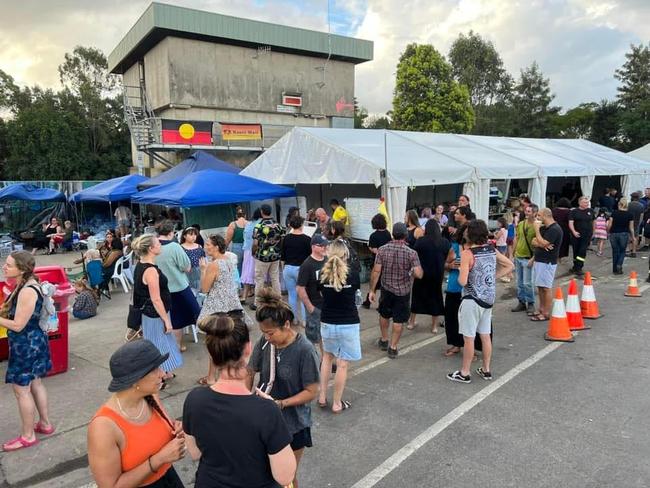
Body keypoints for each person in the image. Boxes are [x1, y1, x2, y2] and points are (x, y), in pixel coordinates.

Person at [183, 313, 296, 488]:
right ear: (248, 348)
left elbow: (195, 453)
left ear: (211, 354)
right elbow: (285, 476)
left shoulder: (194, 399)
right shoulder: (266, 411)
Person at [88, 340, 186, 487]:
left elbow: (157, 433)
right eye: (155, 369)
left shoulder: (150, 397)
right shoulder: (103, 427)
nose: (163, 373)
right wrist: (159, 459)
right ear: (134, 381)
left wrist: (175, 428)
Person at [250, 290, 320, 488]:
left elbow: (311, 391)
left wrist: (280, 404)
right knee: (265, 473)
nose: (266, 337)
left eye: (271, 333)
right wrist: (246, 399)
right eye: (264, 333)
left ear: (286, 325)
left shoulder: (305, 351)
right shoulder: (265, 342)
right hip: (265, 421)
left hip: (294, 425)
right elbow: (250, 370)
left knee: (286, 477)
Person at [447, 220, 513, 384]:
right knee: (485, 335)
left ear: (471, 234)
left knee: (468, 337)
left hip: (471, 299)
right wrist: (490, 278)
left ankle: (465, 372)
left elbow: (462, 281)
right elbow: (509, 265)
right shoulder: (491, 249)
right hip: (488, 298)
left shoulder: (467, 254)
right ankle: (486, 369)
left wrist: (463, 269)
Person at [0, 252, 54, 451]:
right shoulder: (25, 285)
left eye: (8, 265)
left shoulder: (28, 290)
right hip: (34, 343)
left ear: (21, 269)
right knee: (36, 383)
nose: (4, 267)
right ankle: (45, 424)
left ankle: (28, 436)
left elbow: (18, 325)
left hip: (26, 346)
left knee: (21, 390)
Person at [196, 234, 250, 385]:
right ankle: (230, 373)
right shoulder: (228, 261)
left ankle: (211, 377)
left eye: (208, 244)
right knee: (230, 343)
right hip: (232, 306)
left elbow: (205, 288)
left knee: (214, 343)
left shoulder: (214, 264)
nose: (206, 247)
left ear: (217, 246)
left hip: (217, 307)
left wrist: (203, 270)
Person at [131, 234, 183, 387]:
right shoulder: (150, 271)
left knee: (162, 343)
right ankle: (157, 379)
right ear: (151, 248)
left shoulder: (141, 265)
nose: (160, 245)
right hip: (155, 314)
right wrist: (167, 321)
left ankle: (165, 372)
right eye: (157, 243)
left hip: (152, 313)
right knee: (157, 345)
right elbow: (156, 299)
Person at [317, 239, 361, 413]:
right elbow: (355, 294)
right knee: (342, 364)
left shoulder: (323, 274)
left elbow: (322, 294)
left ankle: (322, 397)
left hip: (327, 321)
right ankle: (337, 403)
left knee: (327, 358)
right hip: (348, 322)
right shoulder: (353, 274)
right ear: (345, 254)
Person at [368, 223, 423, 359]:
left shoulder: (382, 250)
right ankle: (393, 347)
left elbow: (376, 271)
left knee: (384, 314)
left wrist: (372, 290)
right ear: (405, 235)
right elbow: (419, 274)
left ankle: (384, 339)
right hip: (403, 292)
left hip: (386, 289)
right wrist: (412, 272)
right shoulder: (411, 253)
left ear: (392, 234)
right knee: (398, 320)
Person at [156, 222, 201, 353]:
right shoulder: (174, 247)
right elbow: (186, 267)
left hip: (161, 289)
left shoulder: (152, 246)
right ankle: (179, 345)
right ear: (171, 233)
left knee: (174, 318)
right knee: (194, 311)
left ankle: (176, 346)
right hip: (179, 286)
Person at [410, 219, 450, 334]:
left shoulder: (421, 241)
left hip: (422, 274)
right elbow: (448, 256)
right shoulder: (444, 242)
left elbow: (414, 255)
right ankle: (434, 326)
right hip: (437, 274)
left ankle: (411, 322)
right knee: (435, 298)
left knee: (417, 296)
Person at [297, 234, 329, 353]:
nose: (324, 248)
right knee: (313, 337)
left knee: (325, 337)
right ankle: (314, 360)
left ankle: (325, 360)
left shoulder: (327, 260)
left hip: (326, 306)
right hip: (315, 306)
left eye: (326, 246)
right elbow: (300, 288)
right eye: (321, 246)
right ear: (313, 247)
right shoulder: (307, 265)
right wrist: (310, 307)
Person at [530, 208, 563, 321]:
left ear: (545, 215)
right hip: (540, 260)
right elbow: (534, 241)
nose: (537, 218)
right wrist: (541, 243)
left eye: (539, 216)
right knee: (540, 286)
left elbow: (543, 242)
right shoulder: (545, 228)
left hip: (547, 261)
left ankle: (546, 312)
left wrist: (537, 230)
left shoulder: (555, 229)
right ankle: (541, 309)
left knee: (546, 287)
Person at [281, 214, 311, 325]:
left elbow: (282, 256)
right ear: (301, 225)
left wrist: (283, 269)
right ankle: (304, 320)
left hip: (288, 268)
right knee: (304, 295)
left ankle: (293, 319)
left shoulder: (286, 238)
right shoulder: (307, 239)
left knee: (292, 295)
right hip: (302, 269)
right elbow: (310, 257)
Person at [253, 204, 285, 308]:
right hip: (275, 256)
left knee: (259, 279)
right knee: (275, 278)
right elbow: (282, 238)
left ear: (262, 212)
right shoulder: (277, 225)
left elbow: (255, 243)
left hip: (262, 256)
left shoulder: (259, 226)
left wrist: (254, 253)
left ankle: (258, 303)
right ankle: (278, 300)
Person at [511, 204, 538, 313]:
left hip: (528, 257)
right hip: (518, 255)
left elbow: (538, 243)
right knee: (519, 282)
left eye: (529, 211)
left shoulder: (537, 226)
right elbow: (517, 237)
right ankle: (521, 302)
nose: (526, 213)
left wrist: (534, 258)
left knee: (528, 282)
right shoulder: (521, 224)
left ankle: (531, 303)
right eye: (526, 211)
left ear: (535, 213)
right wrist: (513, 252)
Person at [362, 213, 392, 308]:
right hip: (387, 262)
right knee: (384, 284)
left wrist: (370, 247)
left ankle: (368, 301)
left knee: (373, 282)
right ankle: (382, 304)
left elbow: (374, 250)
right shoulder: (388, 233)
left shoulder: (373, 236)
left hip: (377, 262)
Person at [443, 224, 465, 357]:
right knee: (452, 318)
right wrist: (450, 265)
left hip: (469, 289)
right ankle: (456, 344)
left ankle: (471, 348)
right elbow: (445, 264)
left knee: (468, 320)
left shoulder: (475, 249)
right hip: (454, 287)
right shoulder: (455, 247)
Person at [568, 196, 594, 276]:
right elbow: (571, 222)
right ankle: (575, 266)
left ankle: (579, 267)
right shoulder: (574, 212)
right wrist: (574, 231)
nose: (586, 204)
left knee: (582, 251)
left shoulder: (590, 211)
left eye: (587, 202)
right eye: (584, 202)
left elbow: (593, 221)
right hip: (576, 235)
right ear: (579, 203)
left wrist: (594, 231)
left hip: (587, 235)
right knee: (576, 251)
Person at [608, 198, 634, 275]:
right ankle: (619, 264)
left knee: (615, 251)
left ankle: (615, 269)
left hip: (613, 233)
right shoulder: (630, 214)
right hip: (624, 234)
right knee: (622, 251)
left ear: (619, 204)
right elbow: (631, 228)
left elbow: (610, 224)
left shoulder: (614, 213)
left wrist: (608, 231)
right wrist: (633, 236)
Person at [241, 208, 261, 306]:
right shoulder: (261, 223)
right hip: (258, 251)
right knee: (260, 276)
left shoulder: (248, 224)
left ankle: (244, 296)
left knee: (247, 273)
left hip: (247, 251)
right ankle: (258, 300)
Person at [180, 227, 205, 292]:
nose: (193, 237)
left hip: (199, 271)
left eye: (195, 235)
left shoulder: (199, 246)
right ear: (184, 236)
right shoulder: (180, 248)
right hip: (188, 273)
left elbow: (203, 259)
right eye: (191, 235)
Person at [225, 207, 248, 277]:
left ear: (236, 216)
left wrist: (224, 248)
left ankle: (240, 283)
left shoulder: (233, 224)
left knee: (237, 266)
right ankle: (248, 282)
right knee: (248, 265)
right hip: (248, 247)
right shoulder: (249, 224)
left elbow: (228, 239)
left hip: (236, 247)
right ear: (245, 215)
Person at [552, 197, 572, 263]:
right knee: (564, 243)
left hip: (555, 228)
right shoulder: (569, 211)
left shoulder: (554, 210)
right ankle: (561, 258)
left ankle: (554, 256)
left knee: (555, 242)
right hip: (565, 229)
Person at [628, 192, 645, 257]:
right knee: (636, 237)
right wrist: (639, 223)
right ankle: (634, 251)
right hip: (637, 223)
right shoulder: (641, 206)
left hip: (629, 223)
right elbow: (641, 216)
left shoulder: (629, 205)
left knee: (629, 237)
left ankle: (629, 250)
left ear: (632, 197)